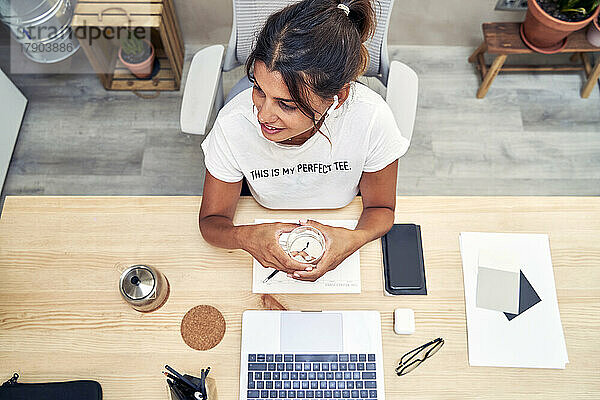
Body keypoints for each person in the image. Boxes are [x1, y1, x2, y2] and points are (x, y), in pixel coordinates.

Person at [199, 0, 409, 282]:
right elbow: (211, 223)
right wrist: (244, 236)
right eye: (259, 89)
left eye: (286, 104)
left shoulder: (370, 118)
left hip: (343, 215)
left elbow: (381, 209)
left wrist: (354, 239)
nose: (263, 115)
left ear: (338, 98)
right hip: (263, 213)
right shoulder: (233, 124)